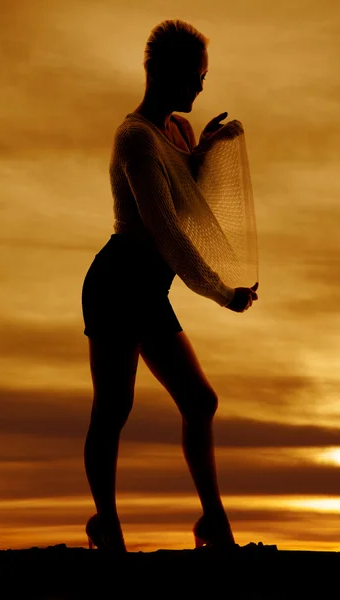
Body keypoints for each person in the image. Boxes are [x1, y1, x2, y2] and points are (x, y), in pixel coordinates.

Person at [82, 19, 259, 553]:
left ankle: (213, 524)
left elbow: (186, 189)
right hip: (118, 285)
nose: (201, 86)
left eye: (204, 75)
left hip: (148, 291)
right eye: (194, 75)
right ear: (160, 72)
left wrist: (204, 149)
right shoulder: (135, 138)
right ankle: (107, 527)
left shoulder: (177, 131)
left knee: (200, 401)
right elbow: (166, 230)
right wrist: (221, 291)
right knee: (113, 409)